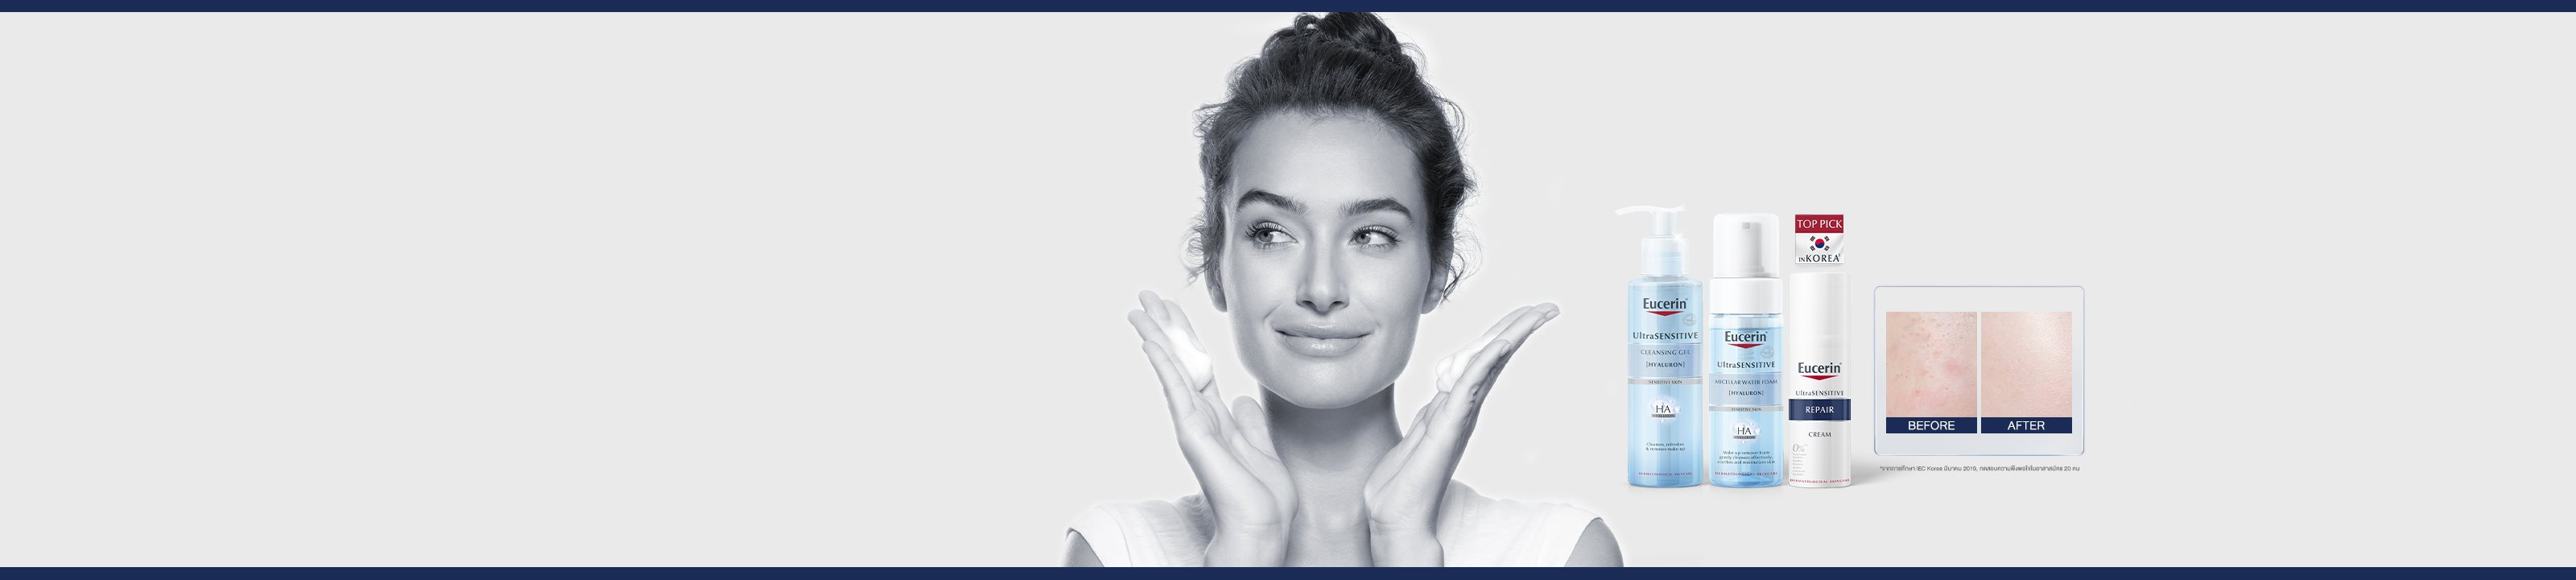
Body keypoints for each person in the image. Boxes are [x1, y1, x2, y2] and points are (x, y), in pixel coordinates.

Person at [1065, 12, 1620, 567]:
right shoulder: (1117, 553)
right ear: (1216, 262)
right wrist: (1246, 547)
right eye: (1272, 233)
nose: (1322, 288)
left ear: (1436, 266)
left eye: (1372, 236)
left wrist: (1406, 545)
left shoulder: (1560, 554)